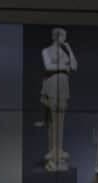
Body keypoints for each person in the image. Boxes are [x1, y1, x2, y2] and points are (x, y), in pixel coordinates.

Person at [40, 27, 77, 171]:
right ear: (56, 36)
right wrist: (63, 67)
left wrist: (69, 49)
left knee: (60, 121)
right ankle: (53, 153)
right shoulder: (46, 51)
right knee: (52, 123)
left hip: (63, 87)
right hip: (51, 87)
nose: (65, 39)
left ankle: (59, 151)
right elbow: (48, 66)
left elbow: (74, 66)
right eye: (63, 37)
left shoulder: (65, 51)